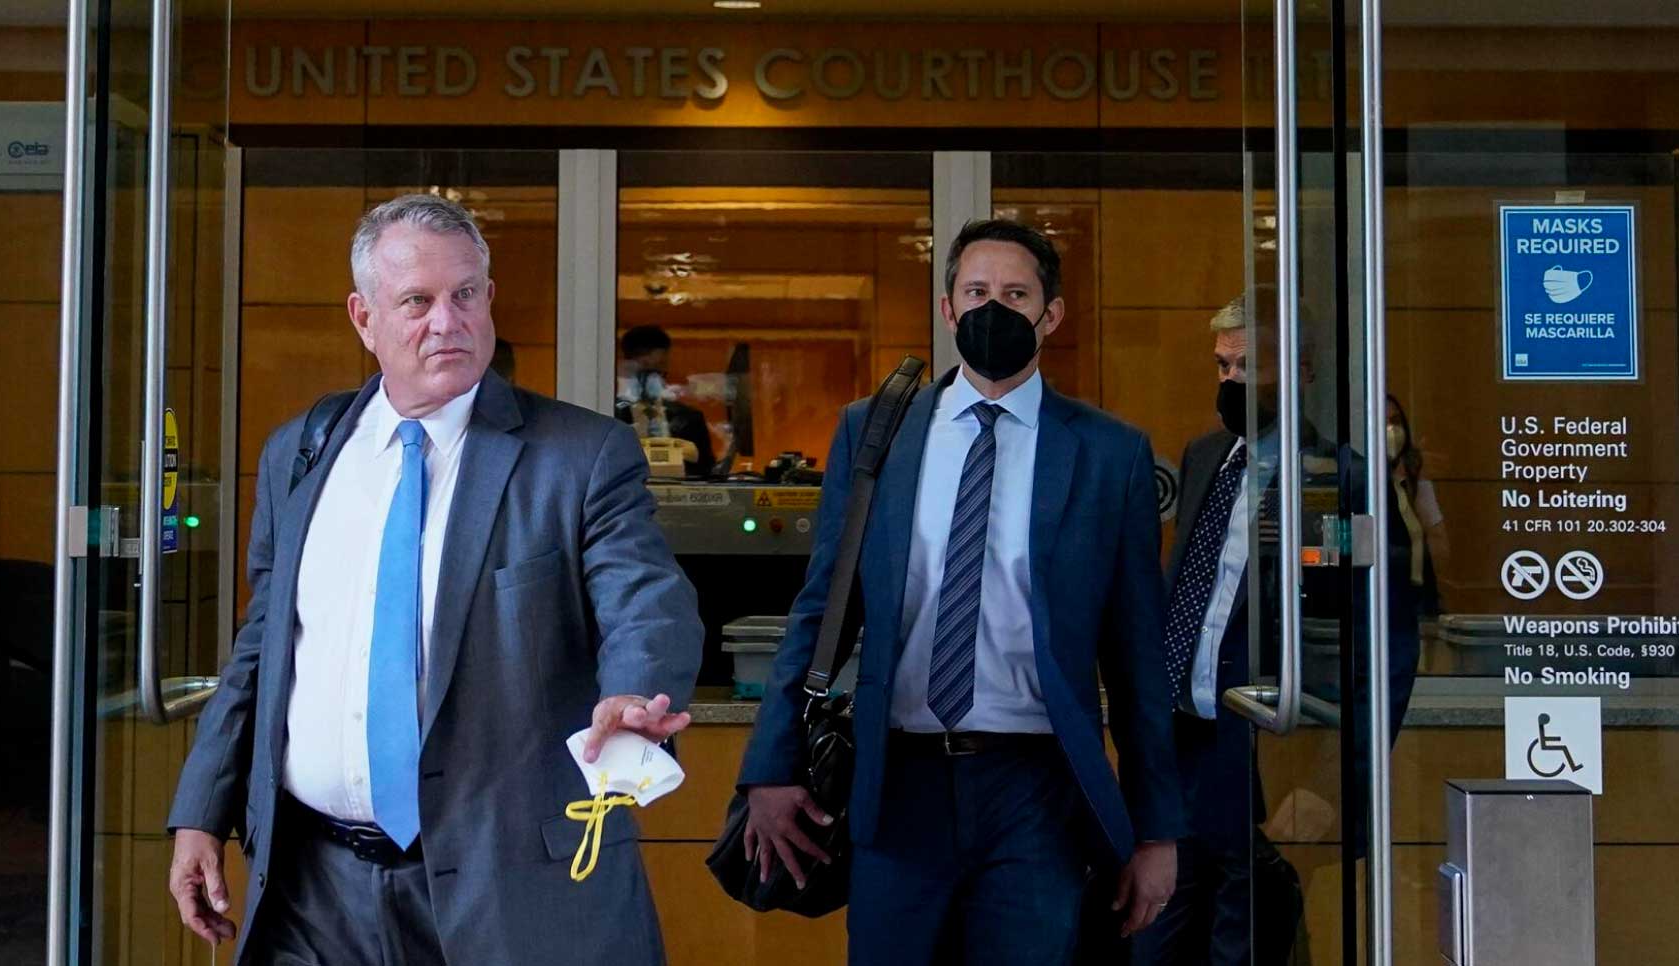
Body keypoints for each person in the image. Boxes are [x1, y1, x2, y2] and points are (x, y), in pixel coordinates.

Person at [165, 193, 704, 965]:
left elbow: (646, 600)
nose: (446, 321)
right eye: (416, 301)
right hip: (315, 889)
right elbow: (264, 647)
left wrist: (637, 688)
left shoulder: (580, 456)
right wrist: (201, 811)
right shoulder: (302, 453)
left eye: (466, 294)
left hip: (507, 889)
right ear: (363, 316)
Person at [736, 218, 1183, 966]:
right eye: (976, 292)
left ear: (1052, 313)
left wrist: (1156, 832)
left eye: (1016, 293)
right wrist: (771, 765)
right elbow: (823, 607)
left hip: (1037, 787)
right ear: (947, 308)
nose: (993, 310)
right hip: (897, 779)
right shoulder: (873, 435)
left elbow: (1138, 656)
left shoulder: (1111, 455)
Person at [1137, 292, 1305, 966]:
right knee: (1157, 931)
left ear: (1296, 371)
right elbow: (1187, 584)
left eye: (1247, 366)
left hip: (1256, 736)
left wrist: (1329, 785)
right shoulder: (1206, 453)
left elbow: (1366, 644)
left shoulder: (1330, 475)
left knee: (1239, 938)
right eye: (1222, 366)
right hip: (1182, 732)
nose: (1230, 381)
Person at [616, 324, 718, 477]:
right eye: (643, 369)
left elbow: (705, 470)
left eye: (657, 370)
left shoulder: (689, 420)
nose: (649, 379)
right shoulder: (612, 417)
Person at [1387, 394, 1448, 617]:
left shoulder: (1413, 478)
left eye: (1395, 421)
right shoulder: (1359, 482)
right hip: (1380, 602)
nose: (1391, 430)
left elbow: (1440, 545)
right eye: (1382, 422)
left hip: (1416, 603)